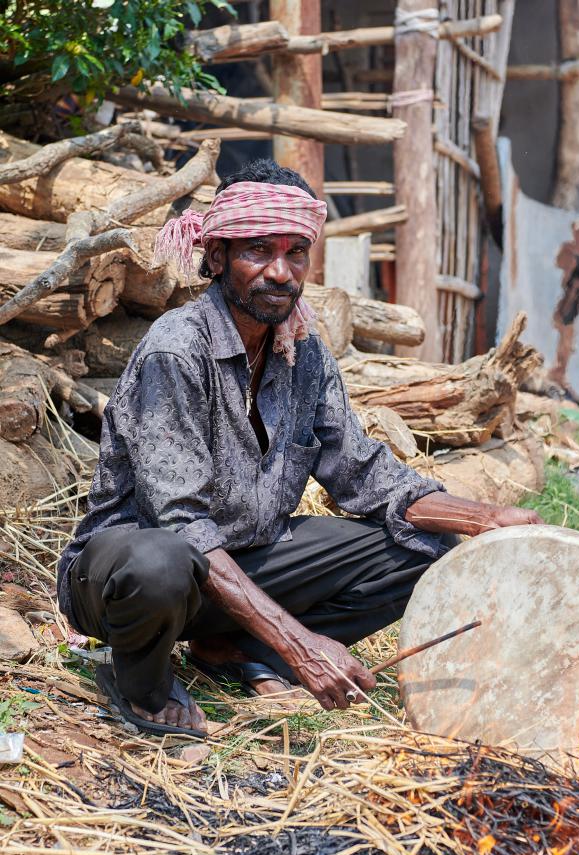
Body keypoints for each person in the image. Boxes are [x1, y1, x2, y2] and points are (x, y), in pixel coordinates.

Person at [57, 158, 541, 738]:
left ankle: (231, 646)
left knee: (421, 551)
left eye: (295, 253)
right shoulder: (176, 351)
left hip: (239, 567)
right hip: (131, 579)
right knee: (161, 562)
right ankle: (143, 686)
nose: (280, 272)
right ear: (217, 258)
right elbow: (183, 527)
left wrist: (485, 519)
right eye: (258, 251)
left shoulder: (303, 354)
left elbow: (363, 475)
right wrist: (303, 643)